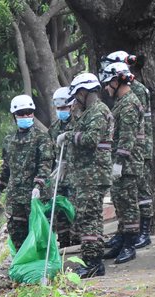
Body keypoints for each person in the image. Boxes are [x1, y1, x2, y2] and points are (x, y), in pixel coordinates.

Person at [56, 72, 114, 279]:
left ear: (83, 92)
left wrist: (68, 136)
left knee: (89, 219)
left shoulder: (98, 112)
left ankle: (93, 263)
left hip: (93, 175)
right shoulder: (88, 112)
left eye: (77, 95)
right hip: (85, 175)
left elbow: (90, 139)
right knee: (89, 218)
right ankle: (94, 260)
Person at [101, 51, 154, 248]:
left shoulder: (134, 94)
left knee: (138, 194)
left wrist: (120, 160)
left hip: (136, 151)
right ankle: (125, 234)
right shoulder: (123, 98)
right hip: (129, 151)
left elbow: (130, 131)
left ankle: (141, 233)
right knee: (123, 196)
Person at [0, 95, 54, 251]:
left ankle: (40, 268)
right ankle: (22, 264)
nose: (26, 116)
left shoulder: (42, 138)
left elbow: (45, 163)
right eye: (22, 113)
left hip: (35, 195)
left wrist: (38, 186)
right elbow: (6, 166)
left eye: (29, 113)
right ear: (15, 116)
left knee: (39, 232)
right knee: (16, 232)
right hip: (15, 196)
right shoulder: (9, 140)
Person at [50, 87, 75, 247]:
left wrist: (67, 164)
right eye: (58, 108)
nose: (61, 111)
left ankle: (78, 242)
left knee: (76, 211)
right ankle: (64, 243)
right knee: (60, 212)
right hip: (59, 179)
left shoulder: (79, 125)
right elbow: (52, 153)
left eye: (64, 108)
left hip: (76, 177)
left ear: (72, 106)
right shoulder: (54, 128)